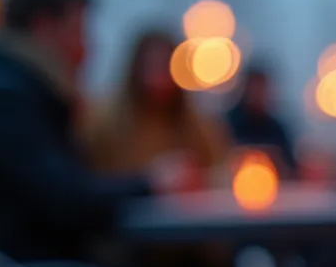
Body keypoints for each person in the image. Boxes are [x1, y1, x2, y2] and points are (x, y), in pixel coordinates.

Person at [0, 0, 154, 263]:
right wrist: (149, 183)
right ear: (43, 27)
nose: (87, 48)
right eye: (78, 31)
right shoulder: (5, 102)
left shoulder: (16, 90)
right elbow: (66, 200)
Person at [83, 30, 228, 184]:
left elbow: (220, 169)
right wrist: (148, 179)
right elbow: (90, 180)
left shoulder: (197, 126)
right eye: (151, 66)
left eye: (165, 66)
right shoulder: (104, 123)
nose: (159, 77)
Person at [225, 63, 299, 177]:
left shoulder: (276, 128)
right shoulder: (227, 125)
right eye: (255, 87)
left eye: (263, 87)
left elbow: (290, 166)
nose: (259, 93)